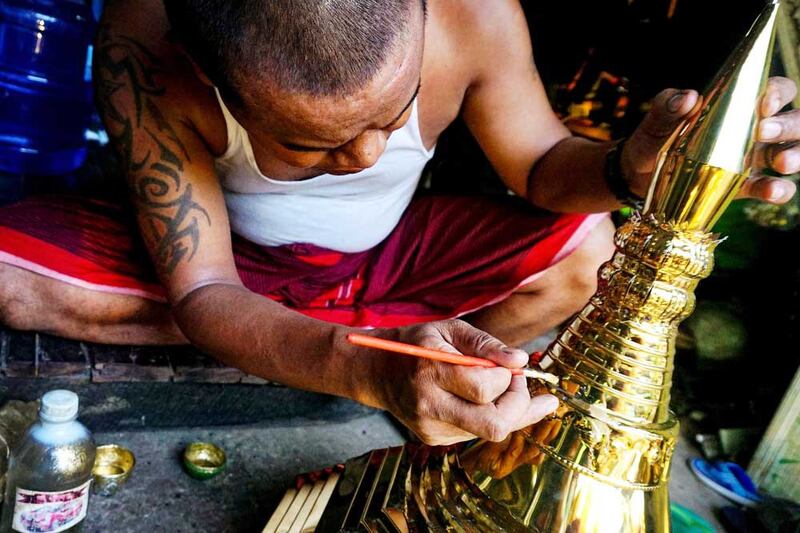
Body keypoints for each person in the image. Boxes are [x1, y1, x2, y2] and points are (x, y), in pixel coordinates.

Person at [0, 0, 796, 446]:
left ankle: (382, 352)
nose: (366, 155)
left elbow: (541, 166)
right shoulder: (146, 50)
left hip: (393, 257)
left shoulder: (473, 15)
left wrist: (628, 167)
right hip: (232, 264)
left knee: (589, 248)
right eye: (313, 143)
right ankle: (379, 349)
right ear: (206, 72)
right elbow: (205, 284)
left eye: (395, 111)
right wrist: (365, 367)